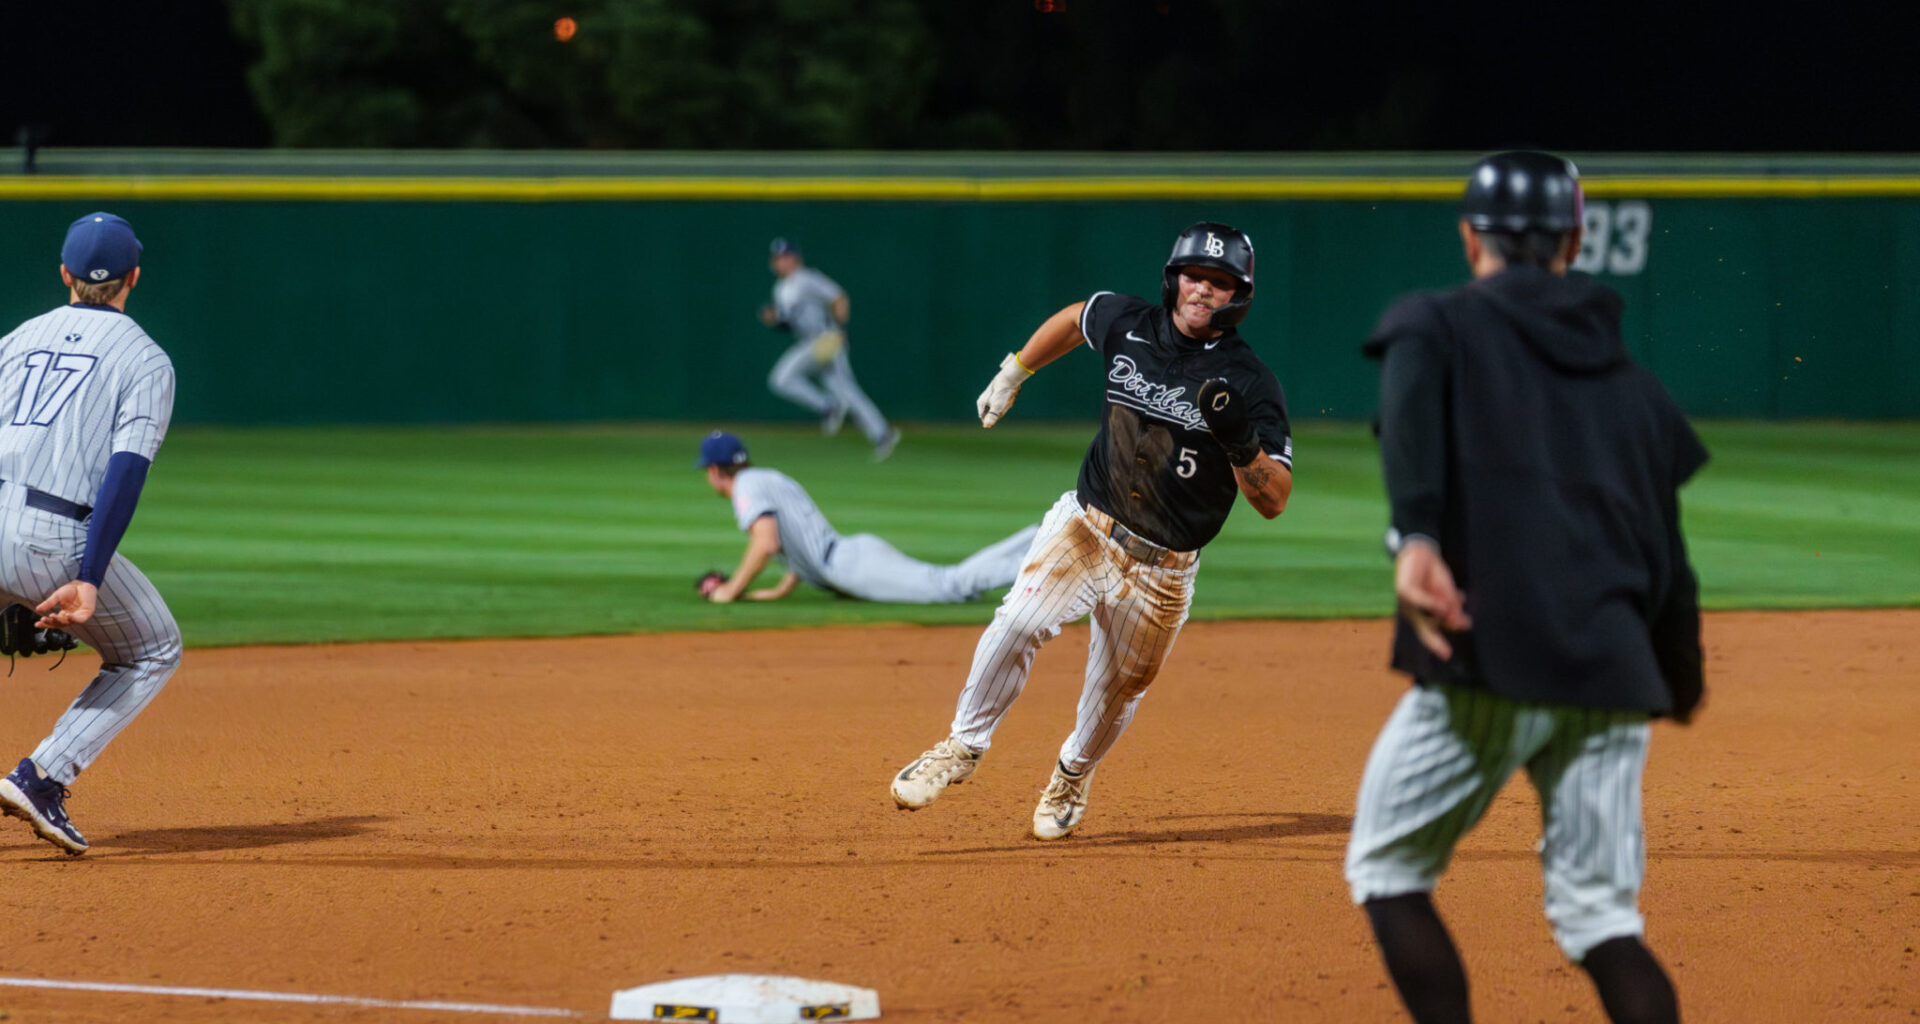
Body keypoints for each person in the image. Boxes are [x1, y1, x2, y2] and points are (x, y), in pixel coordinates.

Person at [1344, 152, 1707, 1024]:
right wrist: (1679, 678)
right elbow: (1669, 559)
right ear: (1575, 242)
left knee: (1390, 871)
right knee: (1602, 921)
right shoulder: (1639, 390)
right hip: (1612, 674)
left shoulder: (1436, 323)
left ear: (1471, 238)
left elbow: (1410, 393)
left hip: (1490, 654)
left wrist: (1416, 535)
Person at [887, 222, 1293, 840]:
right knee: (1018, 621)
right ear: (1174, 278)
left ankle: (1072, 774)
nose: (1203, 290)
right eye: (1194, 275)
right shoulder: (1128, 322)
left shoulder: (1251, 381)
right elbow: (1078, 317)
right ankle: (961, 747)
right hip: (1088, 524)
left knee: (1116, 690)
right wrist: (1014, 372)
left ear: (1238, 295)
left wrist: (1241, 444)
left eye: (1219, 282)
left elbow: (1274, 500)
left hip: (1164, 569)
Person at [0, 212, 183, 857]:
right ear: (134, 277)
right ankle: (42, 777)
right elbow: (126, 469)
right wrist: (90, 575)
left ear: (64, 274)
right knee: (152, 649)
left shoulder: (17, 339)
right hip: (51, 537)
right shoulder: (146, 359)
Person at [694, 430, 1035, 604]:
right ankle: (1036, 538)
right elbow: (799, 533)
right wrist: (782, 588)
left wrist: (731, 590)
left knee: (951, 586)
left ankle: (1044, 563)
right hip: (850, 556)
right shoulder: (765, 477)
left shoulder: (746, 487)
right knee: (949, 581)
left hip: (848, 564)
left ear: (714, 470)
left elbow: (766, 542)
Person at [758, 239, 899, 461]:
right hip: (810, 341)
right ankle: (879, 431)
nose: (780, 262)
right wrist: (775, 320)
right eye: (777, 258)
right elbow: (789, 324)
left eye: (784, 257)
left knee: (784, 378)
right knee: (842, 390)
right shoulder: (781, 288)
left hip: (827, 339)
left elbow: (839, 297)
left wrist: (839, 328)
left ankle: (831, 407)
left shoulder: (806, 278)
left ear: (795, 258)